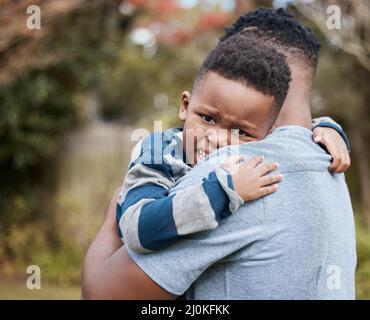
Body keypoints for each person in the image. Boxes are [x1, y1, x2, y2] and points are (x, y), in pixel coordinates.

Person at [82, 8, 355, 300]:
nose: (218, 138)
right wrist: (328, 126)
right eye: (208, 118)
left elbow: (103, 295)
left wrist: (115, 209)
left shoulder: (231, 173)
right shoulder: (330, 161)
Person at [117, 31, 349, 255]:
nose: (217, 138)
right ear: (185, 106)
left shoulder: (263, 144)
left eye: (239, 131)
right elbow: (135, 230)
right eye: (207, 118)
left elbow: (290, 137)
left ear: (269, 134)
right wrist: (225, 191)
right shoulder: (159, 151)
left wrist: (326, 127)